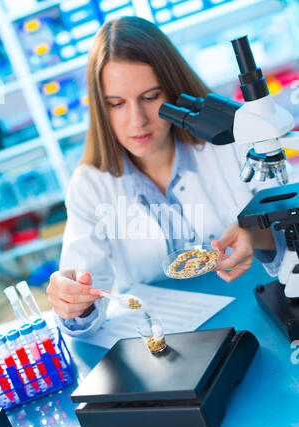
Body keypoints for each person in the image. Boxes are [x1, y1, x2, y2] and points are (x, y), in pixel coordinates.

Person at [47, 16, 286, 337]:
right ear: (101, 109)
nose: (137, 121)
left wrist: (256, 235)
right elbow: (86, 296)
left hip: (259, 316)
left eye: (150, 97)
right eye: (116, 104)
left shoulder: (228, 142)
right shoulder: (91, 184)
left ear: (175, 91)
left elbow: (286, 214)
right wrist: (74, 301)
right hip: (163, 335)